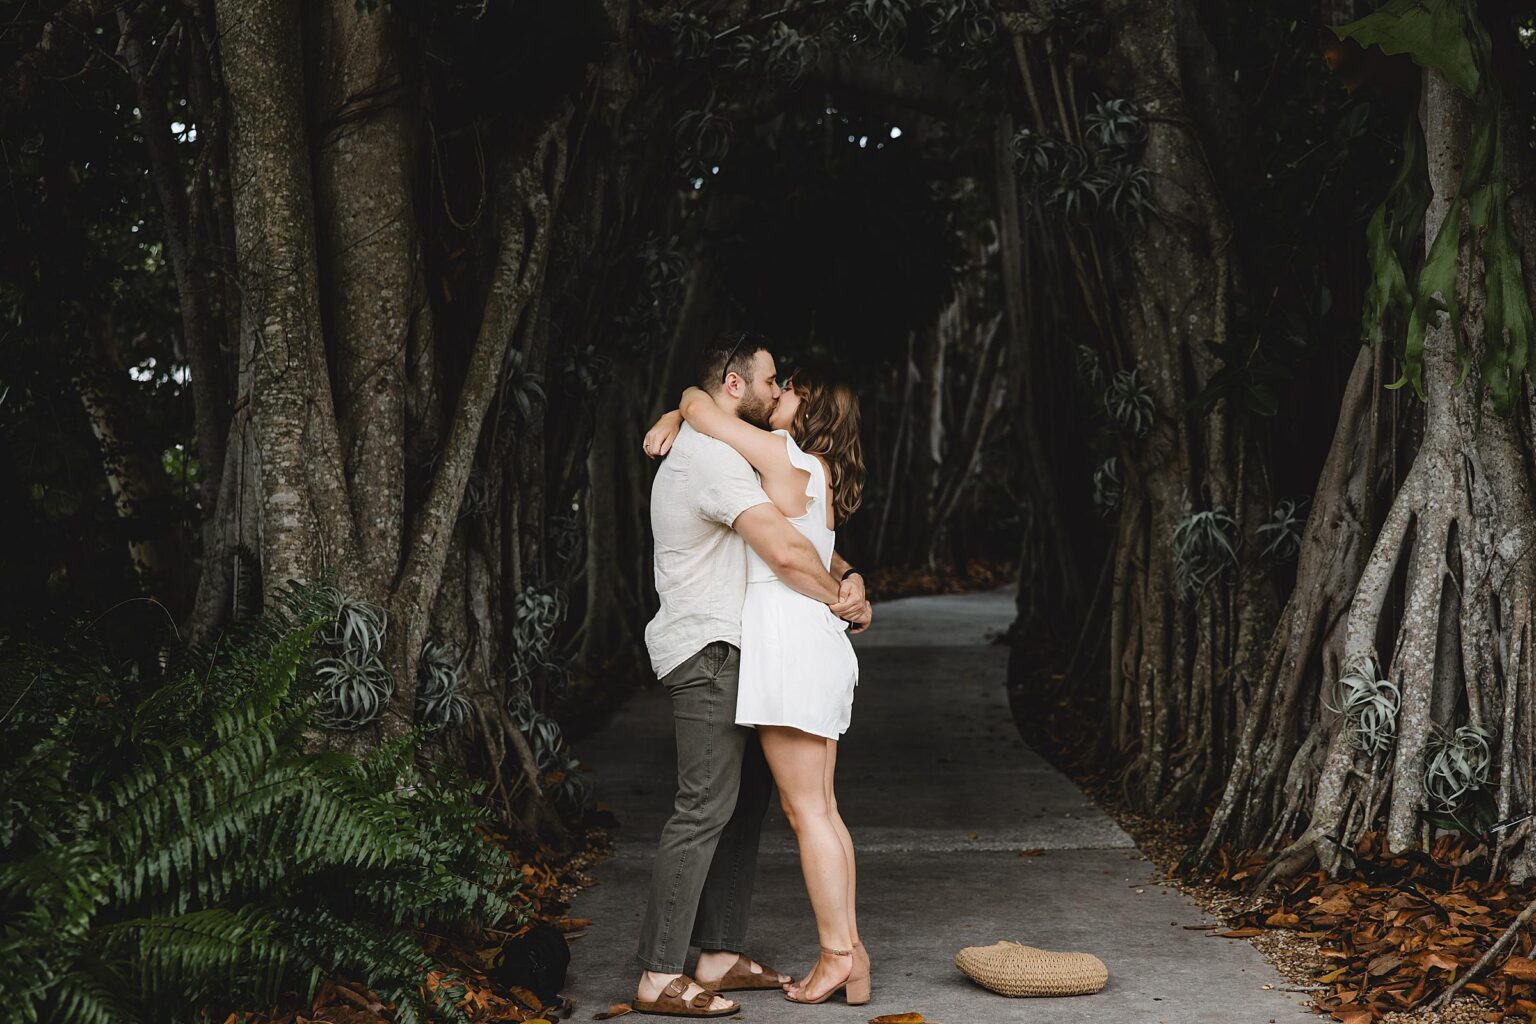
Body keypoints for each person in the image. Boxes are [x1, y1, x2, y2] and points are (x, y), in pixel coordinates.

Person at [631, 330, 872, 1018]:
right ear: (736, 385)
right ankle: (657, 974)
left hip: (767, 649)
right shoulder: (719, 458)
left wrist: (846, 583)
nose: (777, 391)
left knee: (772, 809)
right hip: (712, 649)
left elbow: (805, 543)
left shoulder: (762, 456)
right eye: (772, 380)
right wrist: (842, 594)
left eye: (788, 386)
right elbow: (787, 550)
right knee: (713, 805)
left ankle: (724, 953)